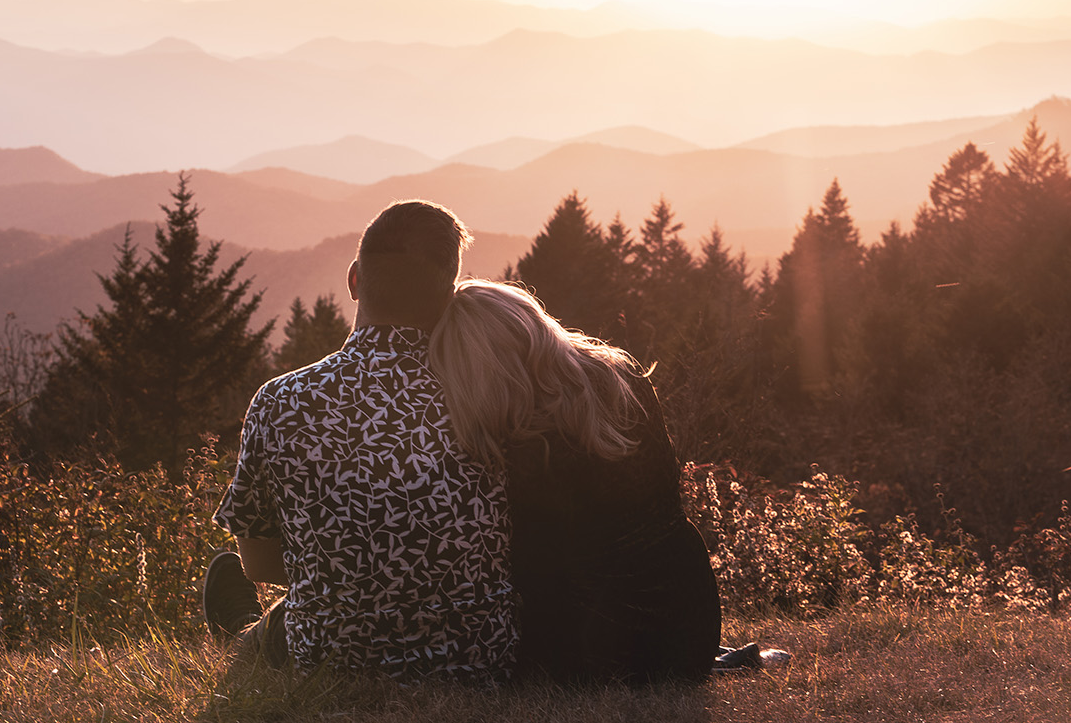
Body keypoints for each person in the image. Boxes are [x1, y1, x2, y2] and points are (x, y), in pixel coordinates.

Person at [208, 201, 518, 683]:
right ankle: (248, 633)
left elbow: (257, 561)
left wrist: (355, 568)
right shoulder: (492, 397)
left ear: (354, 281)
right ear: (450, 297)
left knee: (286, 607)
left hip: (333, 660)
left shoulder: (281, 401)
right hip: (477, 657)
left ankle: (243, 635)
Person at [428, 278, 722, 683]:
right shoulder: (624, 379)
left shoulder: (525, 448)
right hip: (689, 629)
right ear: (534, 325)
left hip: (589, 651)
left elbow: (531, 569)